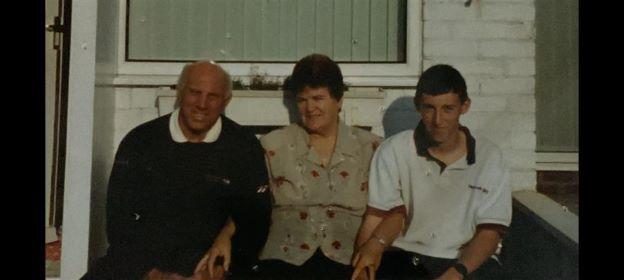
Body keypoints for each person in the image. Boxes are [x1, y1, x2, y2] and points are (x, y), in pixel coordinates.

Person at [81, 61, 272, 280]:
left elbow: (256, 222)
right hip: (146, 264)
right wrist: (155, 275)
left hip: (211, 265)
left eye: (213, 96)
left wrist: (215, 272)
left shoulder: (243, 146)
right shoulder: (140, 141)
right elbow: (120, 223)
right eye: (194, 93)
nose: (202, 104)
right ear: (180, 92)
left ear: (226, 101)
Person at [351, 64, 512, 280]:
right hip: (407, 256)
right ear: (418, 107)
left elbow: (490, 233)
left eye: (448, 109)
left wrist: (457, 274)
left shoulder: (490, 156)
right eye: (429, 108)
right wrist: (364, 260)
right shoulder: (393, 150)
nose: (438, 120)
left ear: (465, 106)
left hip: (464, 260)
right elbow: (377, 216)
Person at [256, 54, 381, 280]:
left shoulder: (369, 148)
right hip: (285, 262)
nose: (310, 108)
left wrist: (369, 254)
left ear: (339, 100)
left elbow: (384, 211)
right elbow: (249, 203)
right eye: (302, 100)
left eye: (318, 98)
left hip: (347, 260)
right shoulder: (274, 145)